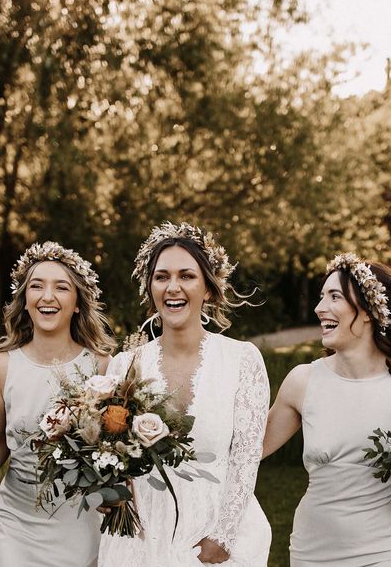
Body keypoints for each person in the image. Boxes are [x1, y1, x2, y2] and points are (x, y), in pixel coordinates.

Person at [98, 222, 271, 566]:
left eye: (186, 276)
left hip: (215, 539)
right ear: (150, 288)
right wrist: (109, 488)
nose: (172, 287)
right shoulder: (123, 366)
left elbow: (246, 458)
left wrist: (222, 536)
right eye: (161, 277)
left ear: (208, 288)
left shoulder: (242, 360)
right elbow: (110, 453)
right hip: (142, 538)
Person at [263, 253, 391, 567]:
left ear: (368, 311)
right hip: (313, 551)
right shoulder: (302, 381)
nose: (320, 308)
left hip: (390, 550)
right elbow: (246, 450)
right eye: (321, 297)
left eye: (334, 297)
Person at [0, 241, 114, 567]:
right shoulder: (1, 367)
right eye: (37, 286)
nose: (47, 296)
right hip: (17, 520)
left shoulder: (102, 367)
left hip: (80, 521)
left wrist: (113, 489)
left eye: (61, 287)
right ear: (25, 301)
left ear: (77, 303)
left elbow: (115, 447)